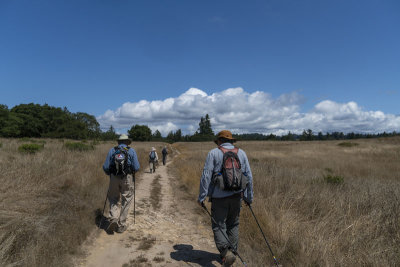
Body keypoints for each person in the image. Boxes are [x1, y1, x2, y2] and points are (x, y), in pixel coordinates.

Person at [197, 130, 253, 266]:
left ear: (219, 141)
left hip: (219, 198)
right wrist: (248, 197)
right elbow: (249, 177)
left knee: (218, 225)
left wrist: (202, 196)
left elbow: (206, 176)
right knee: (233, 224)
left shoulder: (213, 153)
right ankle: (232, 253)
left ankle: (226, 254)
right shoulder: (242, 153)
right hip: (237, 197)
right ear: (232, 141)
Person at [102, 134, 140, 233]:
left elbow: (106, 167)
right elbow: (136, 167)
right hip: (127, 178)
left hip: (114, 177)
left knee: (113, 198)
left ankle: (113, 217)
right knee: (126, 200)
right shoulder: (131, 151)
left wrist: (110, 175)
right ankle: (121, 225)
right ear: (127, 142)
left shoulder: (112, 150)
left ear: (118, 142)